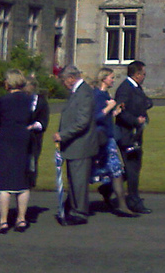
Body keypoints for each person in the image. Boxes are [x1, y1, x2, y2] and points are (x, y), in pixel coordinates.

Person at [0, 69, 39, 233]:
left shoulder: (3, 100)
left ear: (8, 82)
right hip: (23, 138)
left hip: (6, 139)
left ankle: (3, 221)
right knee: (22, 180)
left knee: (4, 182)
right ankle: (21, 219)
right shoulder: (30, 99)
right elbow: (32, 118)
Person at [55, 65, 99, 225]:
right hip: (74, 145)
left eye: (64, 81)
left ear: (71, 78)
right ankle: (73, 208)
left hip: (81, 145)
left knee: (79, 180)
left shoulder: (84, 93)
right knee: (74, 179)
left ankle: (79, 212)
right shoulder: (78, 92)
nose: (63, 84)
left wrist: (63, 134)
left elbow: (82, 122)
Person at [90, 67, 135, 216]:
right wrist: (109, 108)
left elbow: (106, 116)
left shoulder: (104, 94)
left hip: (108, 138)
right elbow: (95, 117)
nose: (113, 80)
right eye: (111, 77)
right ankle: (72, 203)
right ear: (104, 79)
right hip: (100, 139)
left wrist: (115, 111)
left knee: (116, 171)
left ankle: (119, 202)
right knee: (92, 172)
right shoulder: (98, 95)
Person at [115, 59, 153, 213]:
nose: (144, 76)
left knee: (135, 167)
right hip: (127, 134)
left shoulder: (136, 88)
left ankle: (107, 188)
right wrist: (135, 120)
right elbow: (120, 111)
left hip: (136, 134)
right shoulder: (125, 89)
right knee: (132, 167)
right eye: (143, 74)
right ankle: (133, 200)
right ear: (137, 74)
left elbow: (145, 102)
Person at [25, 75, 50, 189]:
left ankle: (31, 181)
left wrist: (34, 125)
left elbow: (44, 120)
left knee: (33, 158)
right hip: (23, 135)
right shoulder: (22, 100)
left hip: (35, 135)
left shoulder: (41, 101)